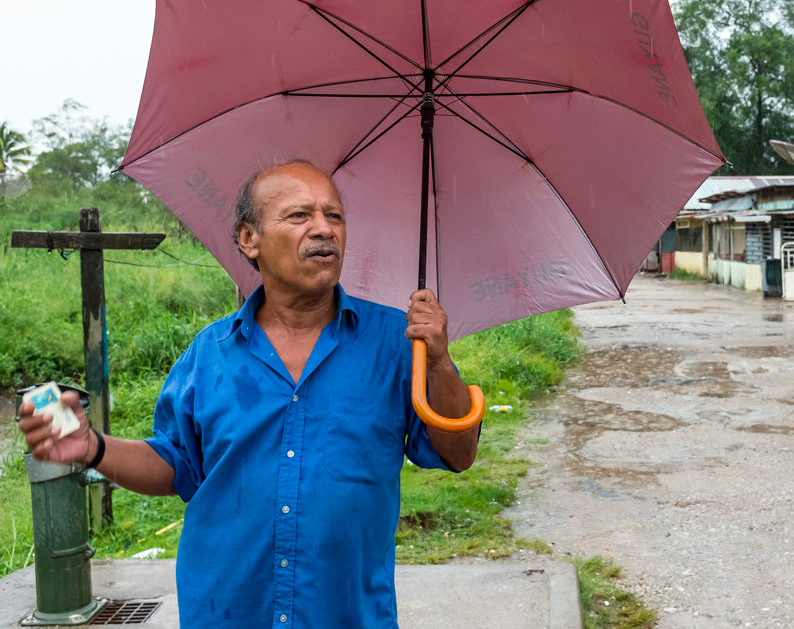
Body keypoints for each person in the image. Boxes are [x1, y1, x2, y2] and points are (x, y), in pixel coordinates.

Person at [17, 159, 480, 627]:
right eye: (300, 216)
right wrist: (93, 446)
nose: (323, 229)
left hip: (347, 614)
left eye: (334, 216)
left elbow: (458, 452)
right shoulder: (210, 354)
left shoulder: (397, 342)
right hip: (225, 612)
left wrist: (439, 360)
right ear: (248, 239)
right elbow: (174, 463)